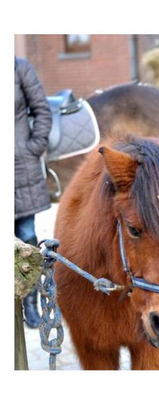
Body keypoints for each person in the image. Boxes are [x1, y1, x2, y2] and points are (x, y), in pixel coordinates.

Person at [15, 57, 52, 328]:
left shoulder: (18, 67)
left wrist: (35, 145)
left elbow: (42, 109)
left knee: (27, 237)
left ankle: (30, 302)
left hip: (20, 165)